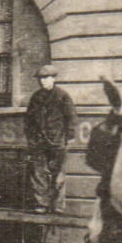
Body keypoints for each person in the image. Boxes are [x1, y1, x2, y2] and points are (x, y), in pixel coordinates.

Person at [24, 62, 77, 213]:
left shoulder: (62, 96)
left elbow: (71, 118)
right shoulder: (36, 97)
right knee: (39, 173)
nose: (43, 81)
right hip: (39, 142)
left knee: (58, 173)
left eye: (46, 78)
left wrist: (70, 137)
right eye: (41, 78)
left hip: (58, 141)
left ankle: (58, 205)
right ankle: (42, 204)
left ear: (54, 78)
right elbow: (29, 120)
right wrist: (31, 139)